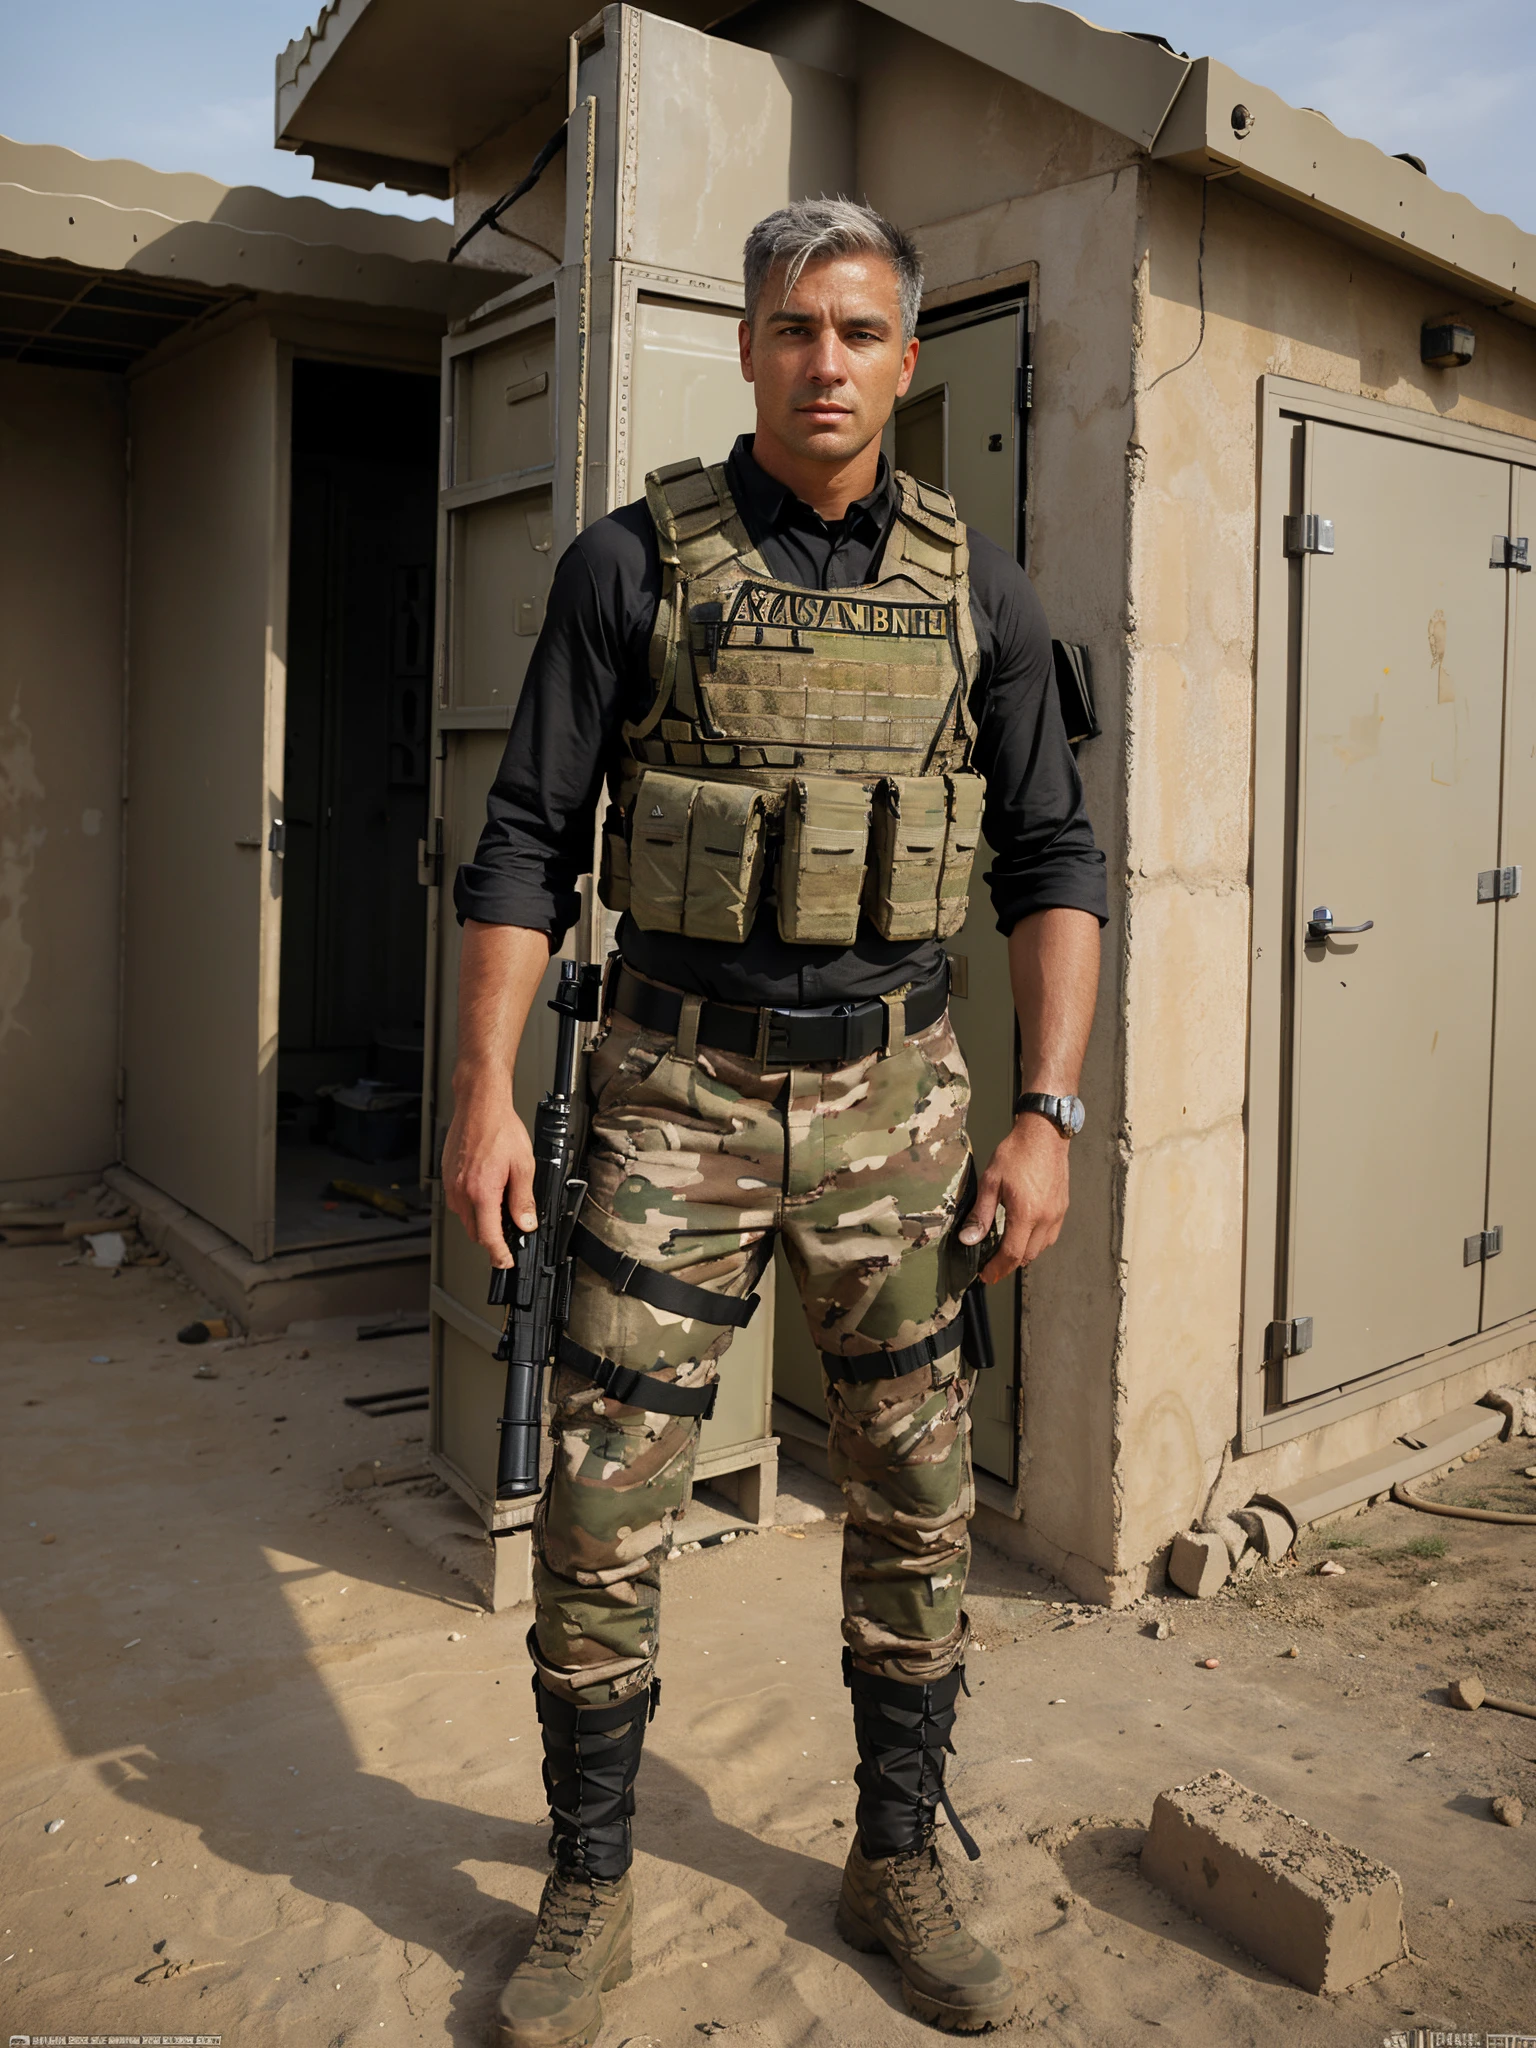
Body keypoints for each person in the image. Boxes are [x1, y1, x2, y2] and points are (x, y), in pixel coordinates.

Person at [446, 198, 1106, 2046]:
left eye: (863, 330)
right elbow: (523, 843)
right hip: (672, 1097)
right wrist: (484, 1095)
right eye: (797, 327)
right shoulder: (628, 563)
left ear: (911, 358)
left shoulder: (985, 592)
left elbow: (1057, 860)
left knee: (913, 1495)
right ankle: (588, 1877)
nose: (828, 362)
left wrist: (1046, 1110)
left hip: (903, 1103)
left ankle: (896, 1850)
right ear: (748, 346)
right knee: (598, 1500)